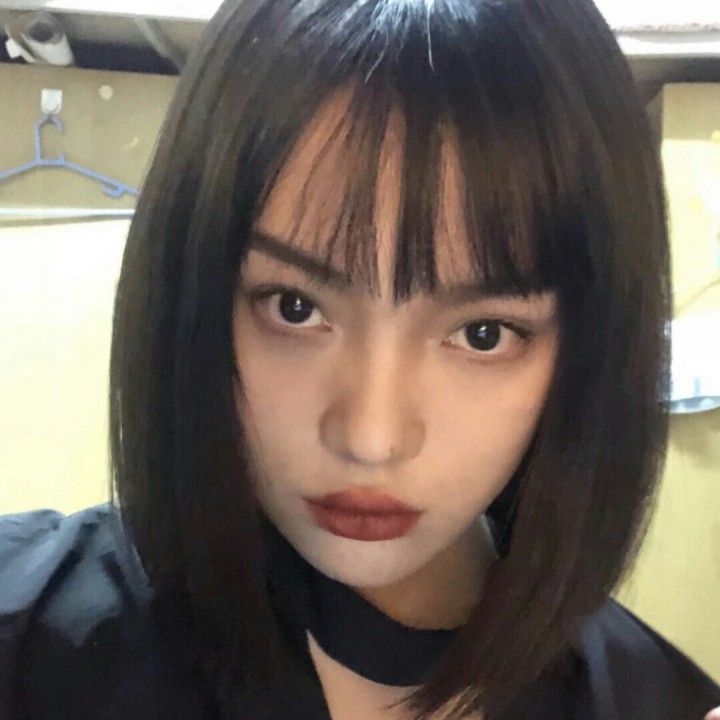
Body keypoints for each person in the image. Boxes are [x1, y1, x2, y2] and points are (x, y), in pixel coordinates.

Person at [1, 0, 719, 718]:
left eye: (483, 334)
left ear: (586, 355)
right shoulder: (30, 640)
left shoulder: (652, 704)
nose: (371, 438)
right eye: (294, 308)